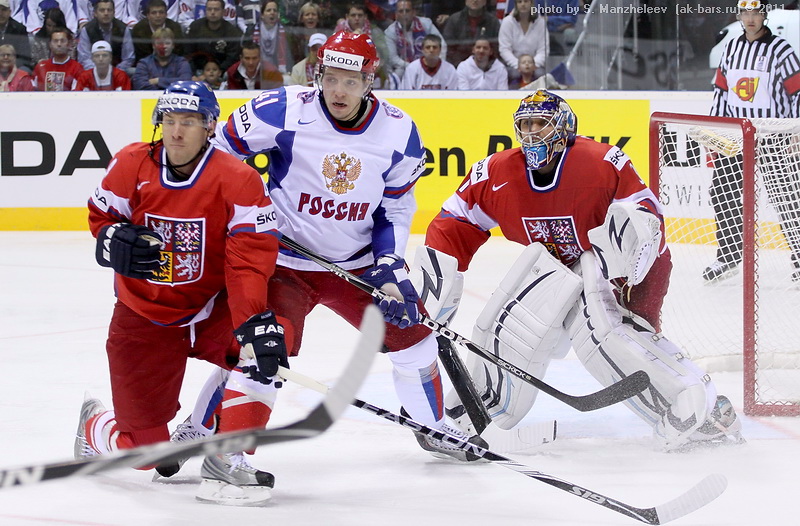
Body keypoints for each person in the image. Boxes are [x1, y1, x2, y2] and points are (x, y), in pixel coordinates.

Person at [207, 31, 483, 466]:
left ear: (369, 82)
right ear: (319, 74)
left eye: (351, 81)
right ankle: (221, 447)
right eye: (331, 77)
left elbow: (393, 206)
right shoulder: (281, 110)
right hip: (283, 263)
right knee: (261, 349)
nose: (339, 90)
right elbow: (217, 156)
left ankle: (432, 429)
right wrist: (246, 211)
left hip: (357, 268)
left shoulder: (398, 132)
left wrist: (390, 265)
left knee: (417, 342)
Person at [424, 90, 743, 452]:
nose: (531, 134)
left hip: (614, 269)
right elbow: (456, 220)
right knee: (509, 327)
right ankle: (476, 412)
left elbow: (644, 221)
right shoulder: (497, 173)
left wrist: (630, 282)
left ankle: (701, 410)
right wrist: (436, 278)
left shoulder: (601, 162)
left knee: (607, 336)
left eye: (540, 124)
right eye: (525, 125)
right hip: (551, 271)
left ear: (563, 130)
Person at [76, 80, 285, 505]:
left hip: (212, 308)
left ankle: (228, 458)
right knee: (146, 455)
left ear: (210, 126)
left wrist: (252, 322)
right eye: (169, 121)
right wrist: (112, 237)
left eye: (188, 122)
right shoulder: (131, 164)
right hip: (143, 315)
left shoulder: (238, 179)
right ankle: (95, 427)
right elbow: (101, 215)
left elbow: (248, 260)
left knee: (265, 345)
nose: (176, 132)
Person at [706, 0, 800, 282]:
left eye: (755, 13)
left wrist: (797, 129)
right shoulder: (732, 48)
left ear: (764, 15)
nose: (750, 18)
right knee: (723, 193)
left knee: (787, 198)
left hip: (773, 136)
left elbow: (797, 92)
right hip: (736, 137)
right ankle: (728, 256)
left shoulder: (781, 49)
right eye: (745, 13)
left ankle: (799, 257)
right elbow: (722, 91)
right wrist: (715, 130)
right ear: (739, 15)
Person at [384, 0, 446, 80]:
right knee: (396, 75)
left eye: (407, 11)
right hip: (404, 67)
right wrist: (415, 67)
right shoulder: (390, 32)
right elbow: (393, 59)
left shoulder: (426, 24)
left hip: (429, 62)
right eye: (401, 11)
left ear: (413, 12)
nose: (404, 14)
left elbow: (442, 44)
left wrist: (438, 62)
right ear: (396, 14)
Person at [184, 0, 242, 74]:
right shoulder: (195, 27)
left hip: (222, 72)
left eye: (216, 9)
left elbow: (232, 58)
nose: (212, 12)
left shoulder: (232, 32)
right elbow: (188, 53)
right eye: (209, 9)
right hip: (197, 70)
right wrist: (193, 73)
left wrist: (218, 71)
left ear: (223, 12)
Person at [76, 0, 135, 71]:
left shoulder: (123, 29)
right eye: (102, 10)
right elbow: (84, 58)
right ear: (95, 13)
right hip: (93, 71)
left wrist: (115, 72)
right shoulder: (87, 30)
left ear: (114, 13)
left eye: (109, 10)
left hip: (117, 71)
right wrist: (97, 72)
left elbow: (128, 58)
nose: (106, 13)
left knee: (131, 71)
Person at [499, 0, 547, 83]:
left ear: (531, 3)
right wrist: (518, 65)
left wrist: (533, 65)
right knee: (514, 74)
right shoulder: (507, 22)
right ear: (516, 5)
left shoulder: (540, 22)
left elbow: (543, 49)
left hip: (535, 65)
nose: (523, 4)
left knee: (541, 74)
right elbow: (504, 49)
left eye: (526, 1)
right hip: (513, 65)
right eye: (520, 2)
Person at [442, 0, 499, 66]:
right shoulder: (454, 20)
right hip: (457, 67)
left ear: (485, 2)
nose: (475, 1)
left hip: (485, 67)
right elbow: (449, 48)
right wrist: (462, 66)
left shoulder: (493, 22)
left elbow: (495, 48)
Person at [130, 0, 184, 65]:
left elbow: (178, 51)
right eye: (154, 13)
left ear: (166, 14)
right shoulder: (139, 29)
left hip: (172, 64)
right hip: (146, 65)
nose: (158, 16)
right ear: (148, 15)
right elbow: (141, 55)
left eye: (161, 12)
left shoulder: (175, 28)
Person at [255, 0, 292, 76]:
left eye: (275, 10)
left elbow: (289, 56)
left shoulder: (285, 32)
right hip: (257, 68)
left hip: (278, 69)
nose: (272, 13)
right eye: (268, 10)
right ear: (262, 15)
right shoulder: (252, 31)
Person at [0, 0, 32, 72]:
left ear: (9, 12)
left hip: (14, 66)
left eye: (4, 10)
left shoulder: (19, 29)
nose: (0, 13)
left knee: (24, 70)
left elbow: (25, 56)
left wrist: (8, 65)